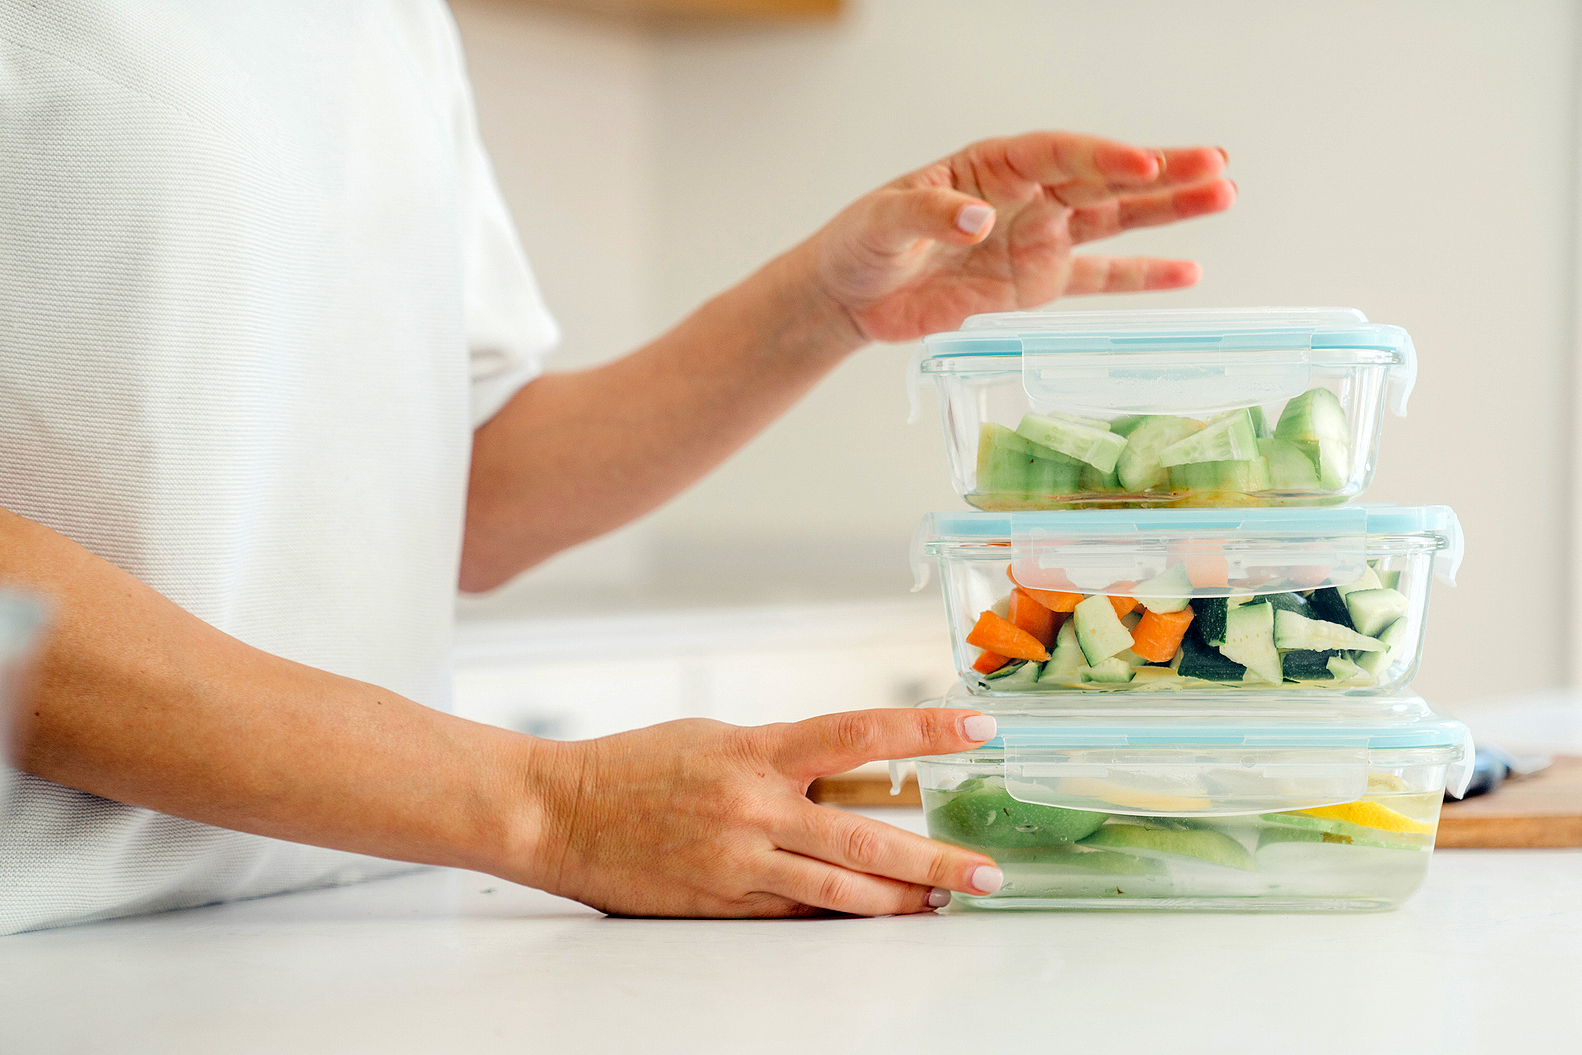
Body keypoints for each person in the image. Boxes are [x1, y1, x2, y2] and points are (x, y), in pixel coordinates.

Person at [0, 1, 1234, 933]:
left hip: (340, 911)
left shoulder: (388, 22)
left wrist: (823, 308)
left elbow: (469, 497)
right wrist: (553, 805)